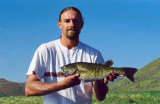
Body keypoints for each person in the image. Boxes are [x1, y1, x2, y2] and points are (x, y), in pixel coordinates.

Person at [25, 7, 123, 104]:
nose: (72, 24)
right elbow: (29, 89)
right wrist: (63, 84)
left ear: (81, 24)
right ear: (60, 24)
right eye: (67, 21)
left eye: (75, 21)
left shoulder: (94, 54)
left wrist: (99, 79)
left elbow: (100, 97)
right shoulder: (45, 50)